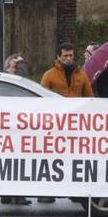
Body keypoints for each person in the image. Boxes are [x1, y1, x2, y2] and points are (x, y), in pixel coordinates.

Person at [39, 43, 93, 203]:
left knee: (74, 160)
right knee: (52, 160)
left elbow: (89, 98)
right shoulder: (49, 75)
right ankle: (47, 192)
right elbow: (41, 99)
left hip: (75, 126)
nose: (68, 59)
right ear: (58, 57)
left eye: (71, 55)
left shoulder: (81, 75)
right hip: (55, 126)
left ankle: (75, 192)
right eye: (65, 56)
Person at [0, 53, 32, 205]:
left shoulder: (13, 82)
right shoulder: (6, 82)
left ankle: (9, 194)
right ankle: (13, 195)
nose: (18, 69)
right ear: (7, 68)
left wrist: (20, 64)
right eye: (15, 67)